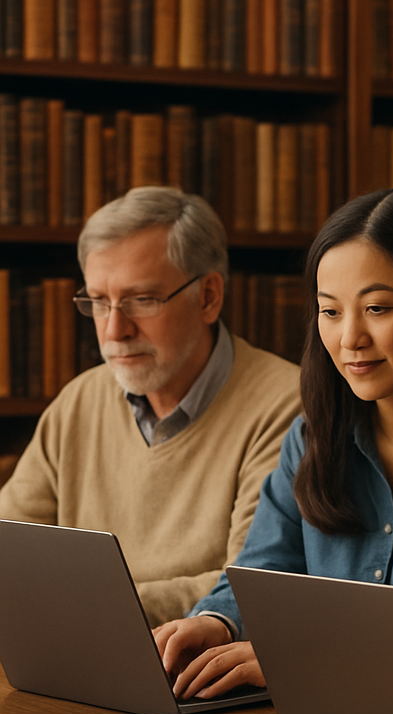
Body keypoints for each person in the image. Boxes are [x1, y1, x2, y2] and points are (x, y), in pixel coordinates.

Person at [155, 188, 393, 699]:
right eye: (330, 312)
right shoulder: (312, 438)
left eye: (377, 308)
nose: (350, 338)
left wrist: (299, 660)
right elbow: (262, 575)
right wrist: (216, 622)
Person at [0, 187, 300, 626]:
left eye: (142, 299)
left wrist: (86, 606)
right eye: (99, 302)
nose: (114, 330)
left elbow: (252, 584)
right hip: (74, 651)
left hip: (194, 671)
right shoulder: (80, 401)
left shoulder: (287, 406)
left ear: (209, 297)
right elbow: (11, 546)